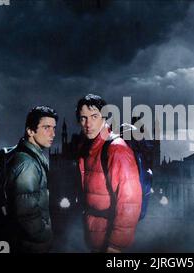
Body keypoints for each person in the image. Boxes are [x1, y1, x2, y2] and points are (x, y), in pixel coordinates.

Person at [76, 94, 142, 253]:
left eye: (94, 116)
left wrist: (116, 245)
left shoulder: (116, 149)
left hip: (109, 241)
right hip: (93, 237)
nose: (88, 123)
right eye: (83, 118)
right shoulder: (87, 148)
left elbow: (130, 201)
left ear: (104, 117)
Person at [0, 106, 57, 253]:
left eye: (54, 128)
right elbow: (26, 214)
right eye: (46, 128)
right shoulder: (27, 164)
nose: (53, 134)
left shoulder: (21, 155)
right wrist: (45, 236)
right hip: (30, 245)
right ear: (30, 131)